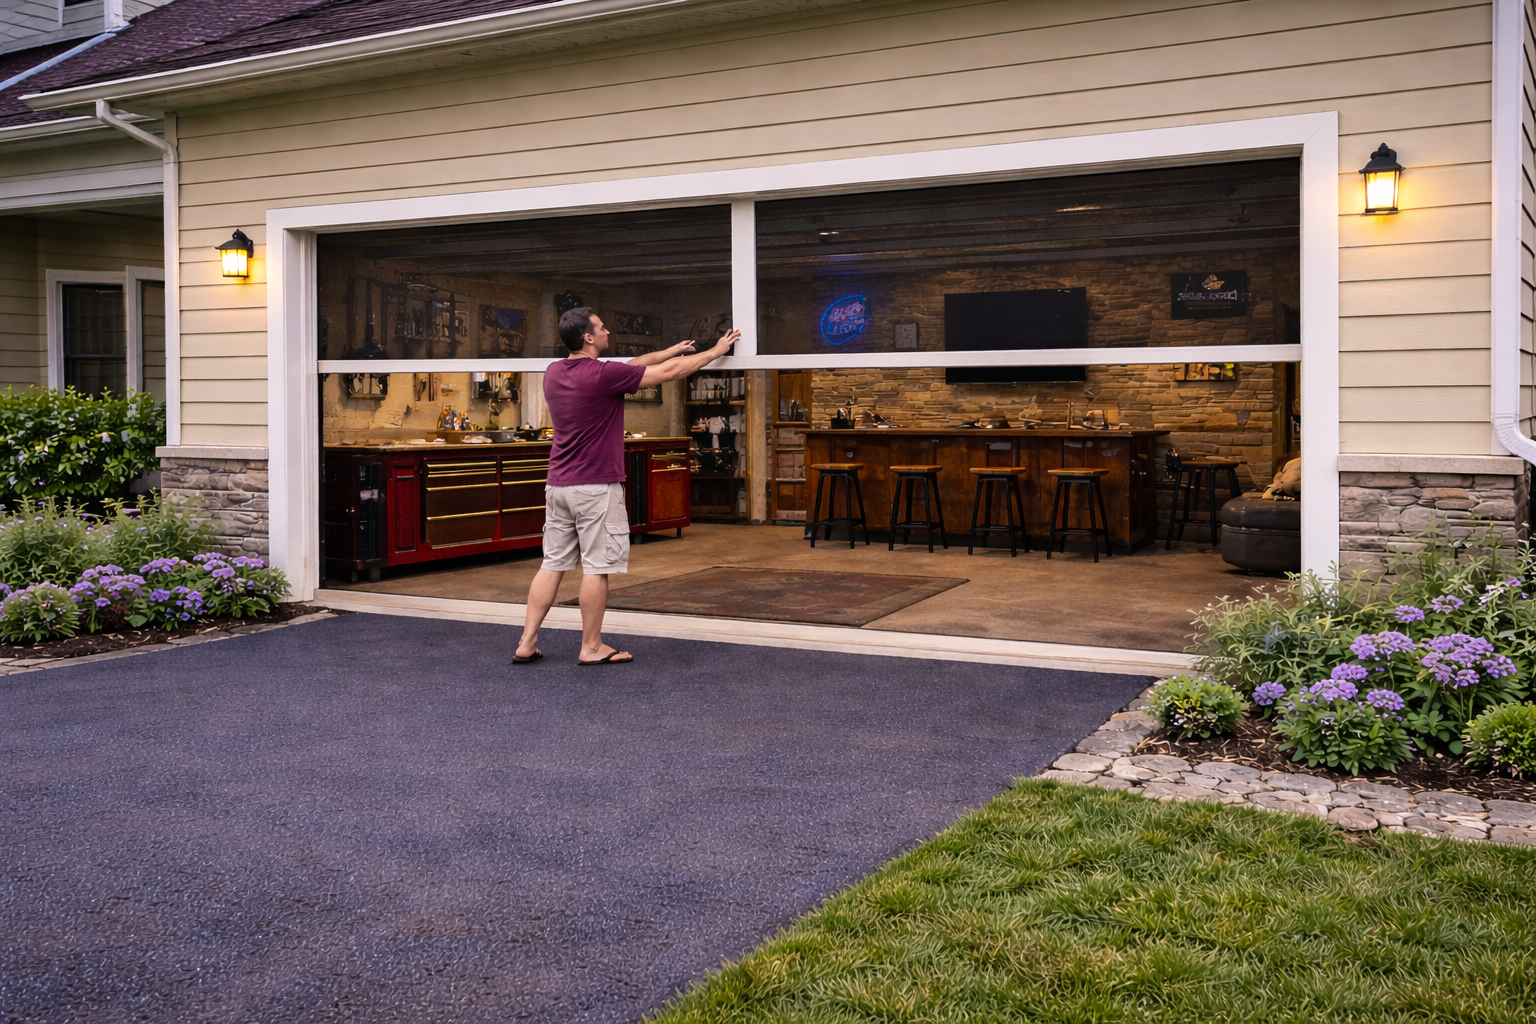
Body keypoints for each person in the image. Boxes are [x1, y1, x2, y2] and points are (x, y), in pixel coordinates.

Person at [514, 308, 739, 665]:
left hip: (558, 485)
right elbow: (667, 374)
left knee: (552, 563)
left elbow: (635, 364)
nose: (607, 332)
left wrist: (668, 351)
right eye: (601, 328)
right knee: (596, 568)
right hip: (595, 487)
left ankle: (526, 642)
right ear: (588, 337)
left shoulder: (556, 371)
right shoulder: (604, 375)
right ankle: (590, 647)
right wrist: (715, 352)